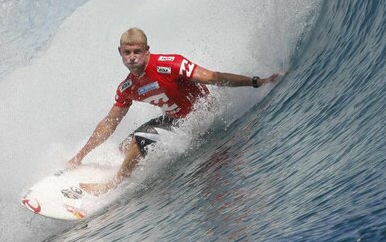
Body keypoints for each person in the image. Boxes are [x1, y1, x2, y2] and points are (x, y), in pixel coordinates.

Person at [68, 27, 279, 195]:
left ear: (147, 50)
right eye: (127, 52)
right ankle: (132, 167)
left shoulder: (169, 65)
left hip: (199, 119)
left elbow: (215, 77)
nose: (132, 57)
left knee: (139, 141)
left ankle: (114, 184)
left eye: (137, 52)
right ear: (120, 53)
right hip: (174, 119)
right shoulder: (127, 87)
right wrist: (80, 156)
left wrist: (255, 82)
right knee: (125, 147)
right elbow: (109, 122)